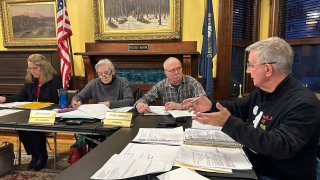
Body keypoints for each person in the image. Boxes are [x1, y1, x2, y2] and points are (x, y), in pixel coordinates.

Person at [183, 37, 320, 180]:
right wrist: (210, 105)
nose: (248, 71)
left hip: (277, 175)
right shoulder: (263, 91)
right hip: (252, 165)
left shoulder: (304, 103)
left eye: (251, 65)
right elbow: (237, 107)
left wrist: (228, 123)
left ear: (267, 69)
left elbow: (281, 146)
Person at [0, 54, 62, 171]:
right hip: (31, 113)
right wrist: (5, 99)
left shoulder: (55, 82)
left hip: (48, 115)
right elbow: (21, 95)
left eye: (35, 68)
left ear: (44, 67)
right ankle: (34, 154)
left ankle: (42, 156)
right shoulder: (31, 81)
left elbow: (58, 103)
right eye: (30, 68)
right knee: (20, 126)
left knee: (33, 126)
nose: (32, 71)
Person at [71, 58, 134, 148]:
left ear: (112, 72)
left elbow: (130, 100)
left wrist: (109, 104)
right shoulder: (94, 83)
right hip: (99, 121)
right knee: (89, 136)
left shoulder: (122, 82)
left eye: (106, 73)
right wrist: (76, 101)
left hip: (117, 120)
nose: (103, 76)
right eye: (100, 74)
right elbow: (79, 96)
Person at [135, 57, 206, 113]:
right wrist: (139, 105)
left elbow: (203, 101)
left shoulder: (192, 82)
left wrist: (181, 106)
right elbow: (144, 99)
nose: (177, 72)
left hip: (189, 118)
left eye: (179, 68)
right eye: (172, 70)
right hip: (169, 120)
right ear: (166, 73)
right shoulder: (161, 85)